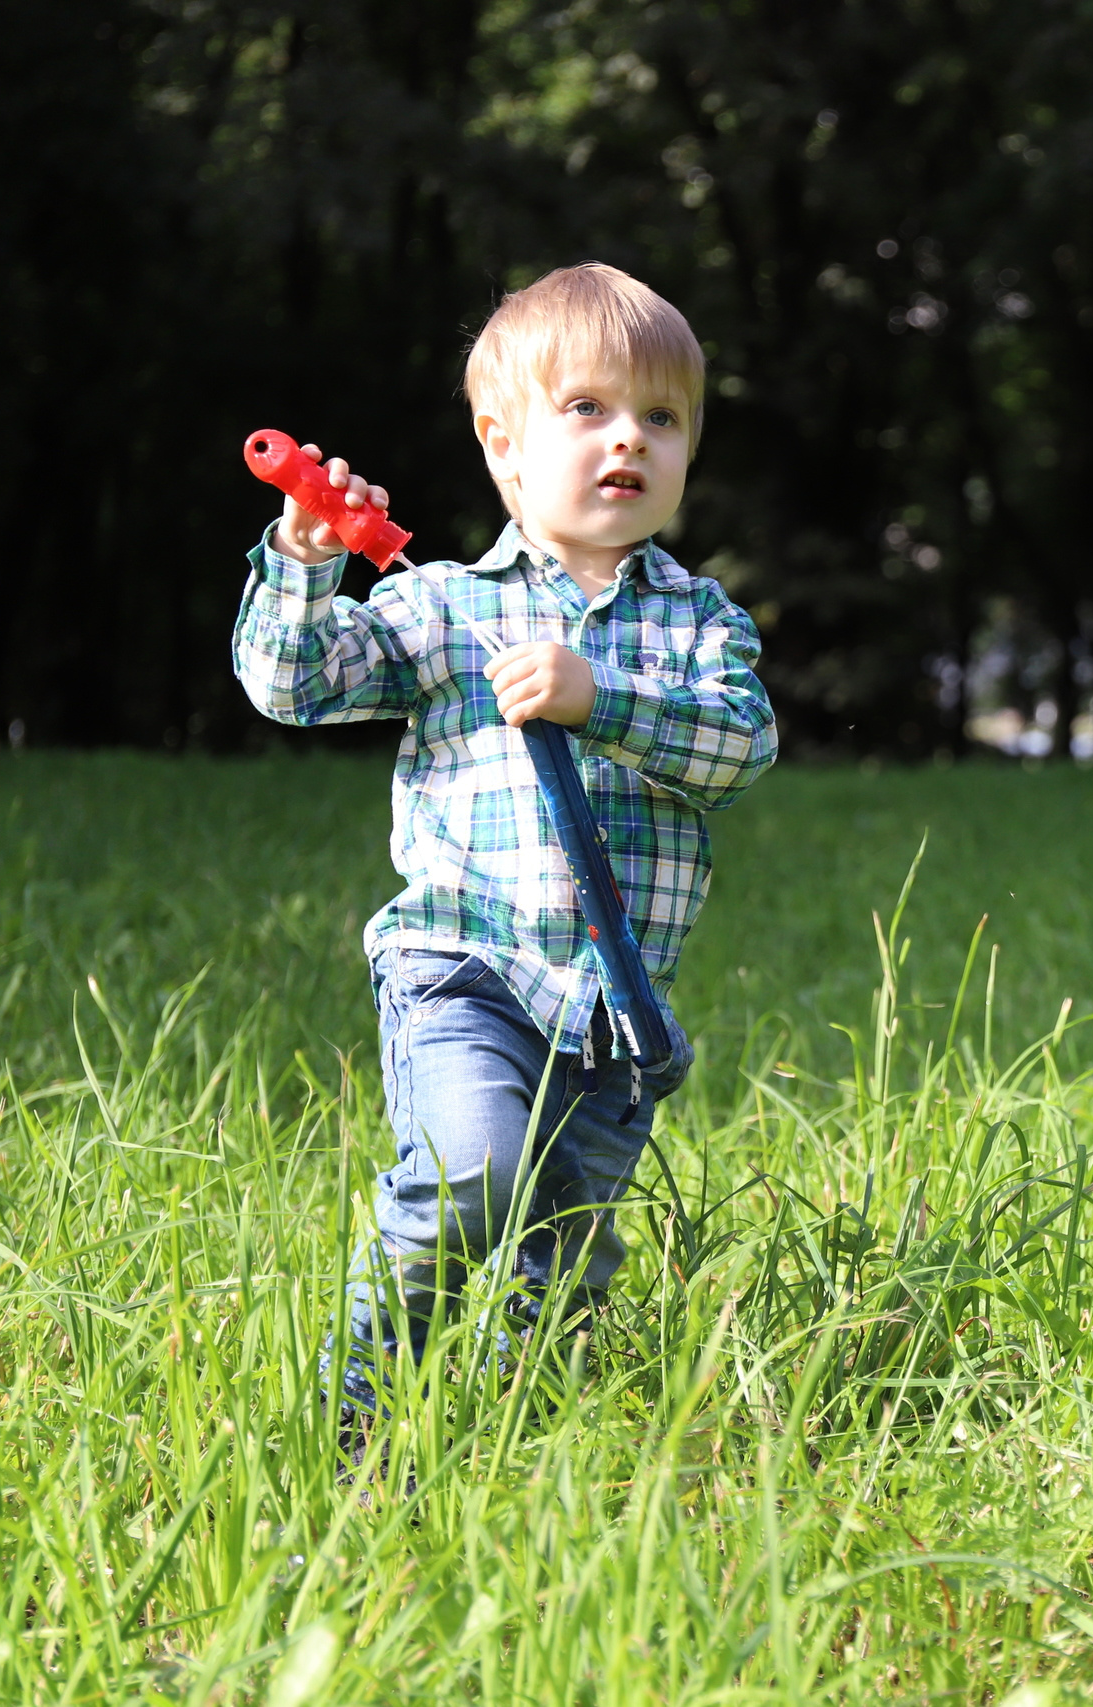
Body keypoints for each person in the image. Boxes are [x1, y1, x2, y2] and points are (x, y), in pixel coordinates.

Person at [231, 263, 777, 1436]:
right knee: (471, 1174)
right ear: (503, 444)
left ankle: (529, 1444)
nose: (628, 438)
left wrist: (603, 698)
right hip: (465, 971)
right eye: (587, 409)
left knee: (562, 1252)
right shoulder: (437, 605)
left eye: (662, 418)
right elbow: (293, 689)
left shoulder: (698, 623)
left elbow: (739, 751)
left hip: (613, 1011)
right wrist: (308, 560)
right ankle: (360, 1419)